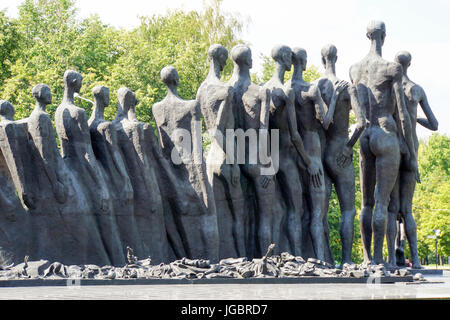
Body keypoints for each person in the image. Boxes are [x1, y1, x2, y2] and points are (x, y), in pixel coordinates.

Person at [350, 21, 418, 265]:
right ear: (384, 37)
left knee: (366, 203)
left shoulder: (354, 69)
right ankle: (379, 259)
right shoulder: (391, 68)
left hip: (365, 136)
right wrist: (410, 151)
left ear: (366, 35)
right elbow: (402, 115)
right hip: (385, 133)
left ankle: (367, 258)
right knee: (382, 201)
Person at [287, 47, 347, 262]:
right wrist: (336, 97)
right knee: (316, 213)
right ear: (303, 62)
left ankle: (297, 259)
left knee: (295, 211)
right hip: (311, 152)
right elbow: (327, 121)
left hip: (291, 154)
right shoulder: (310, 90)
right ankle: (320, 261)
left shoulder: (285, 89)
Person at [387, 51, 438, 269]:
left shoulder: (389, 89)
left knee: (391, 207)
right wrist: (415, 119)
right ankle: (415, 259)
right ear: (410, 64)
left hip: (392, 148)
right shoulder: (417, 89)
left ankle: (391, 258)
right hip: (412, 149)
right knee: (407, 209)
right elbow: (434, 124)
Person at [315, 44, 367, 265]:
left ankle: (324, 260)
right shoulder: (348, 87)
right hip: (340, 152)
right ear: (337, 58)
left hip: (320, 153)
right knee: (348, 210)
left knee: (321, 212)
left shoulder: (315, 86)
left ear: (321, 59)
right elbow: (362, 123)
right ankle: (346, 260)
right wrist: (349, 146)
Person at [196, 44, 247, 258]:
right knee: (238, 215)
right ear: (221, 59)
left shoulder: (201, 89)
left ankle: (215, 260)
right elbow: (217, 130)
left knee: (215, 216)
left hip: (211, 158)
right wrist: (234, 162)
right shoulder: (225, 90)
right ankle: (243, 258)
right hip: (226, 157)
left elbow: (201, 128)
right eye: (225, 58)